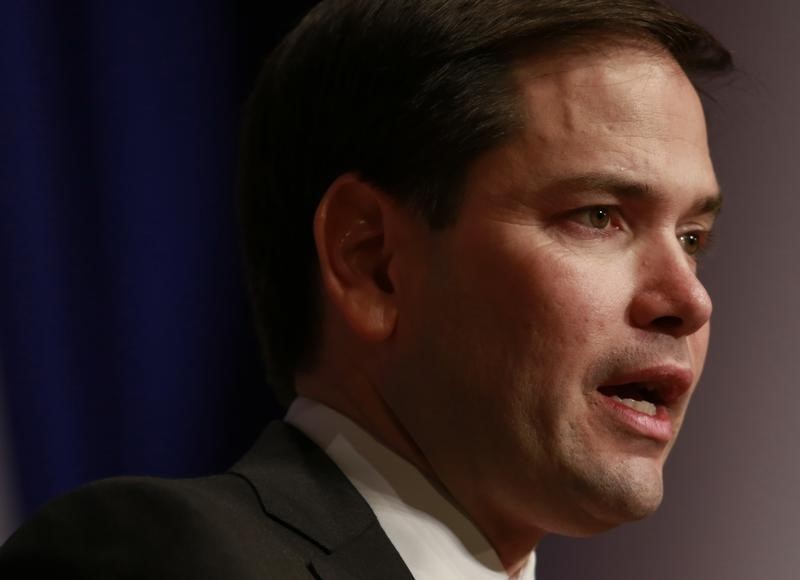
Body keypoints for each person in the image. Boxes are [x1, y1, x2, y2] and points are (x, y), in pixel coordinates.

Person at [0, 1, 732, 578]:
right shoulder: (161, 560)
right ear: (372, 260)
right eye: (598, 216)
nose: (687, 300)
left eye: (693, 238)